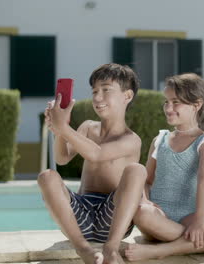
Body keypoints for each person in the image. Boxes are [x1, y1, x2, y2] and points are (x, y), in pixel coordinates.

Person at [124, 73, 204, 262]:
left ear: (196, 105)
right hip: (158, 217)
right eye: (166, 102)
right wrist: (145, 200)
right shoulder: (160, 139)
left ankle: (160, 251)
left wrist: (199, 221)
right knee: (141, 213)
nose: (168, 108)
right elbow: (146, 180)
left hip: (189, 216)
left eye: (176, 102)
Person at [38, 63, 147, 264]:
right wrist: (61, 129)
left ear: (127, 96)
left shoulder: (131, 139)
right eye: (94, 91)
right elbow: (61, 158)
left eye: (106, 90)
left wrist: (63, 127)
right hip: (81, 214)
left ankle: (111, 248)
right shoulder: (88, 127)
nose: (97, 97)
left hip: (112, 216)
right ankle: (83, 248)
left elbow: (97, 154)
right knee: (47, 176)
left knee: (136, 171)